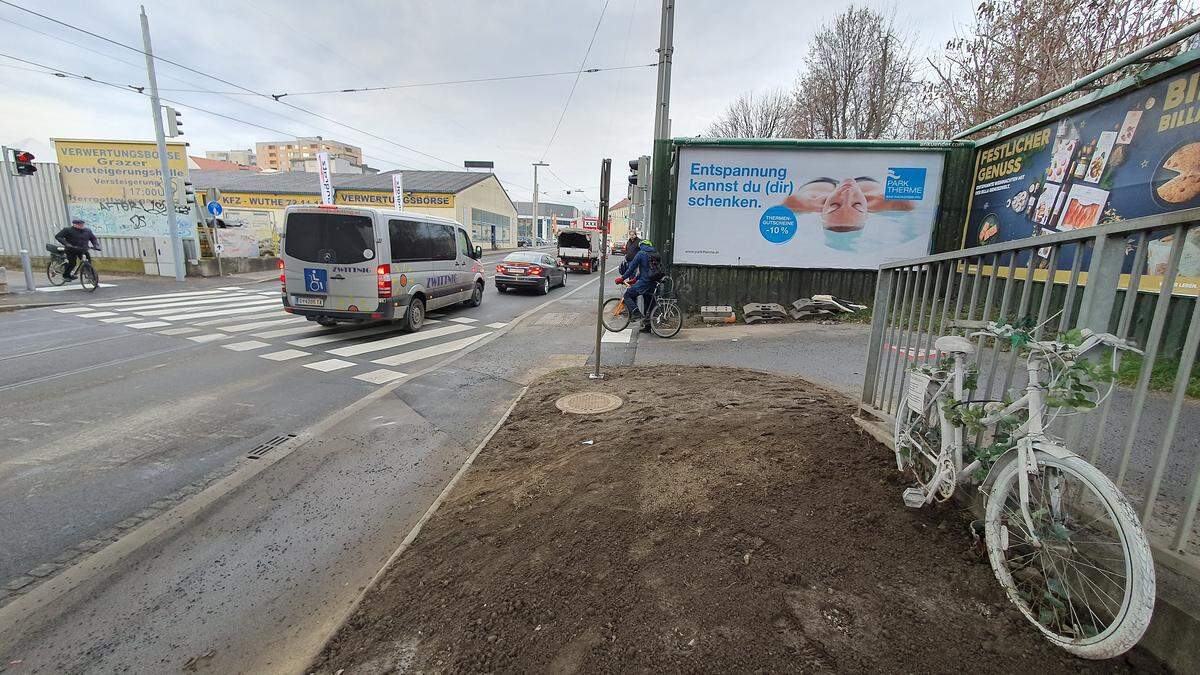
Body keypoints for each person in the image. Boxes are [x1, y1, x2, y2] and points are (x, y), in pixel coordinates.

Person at [782, 177, 915, 232]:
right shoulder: (882, 201)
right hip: (866, 185)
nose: (847, 193)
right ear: (867, 212)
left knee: (813, 192)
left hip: (820, 185)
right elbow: (910, 202)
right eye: (857, 205)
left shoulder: (798, 203)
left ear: (822, 210)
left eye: (835, 205)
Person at [615, 238, 659, 333]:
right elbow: (646, 270)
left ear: (641, 246)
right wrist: (634, 280)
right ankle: (648, 327)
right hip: (653, 282)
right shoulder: (655, 254)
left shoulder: (641, 254)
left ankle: (635, 312)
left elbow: (631, 269)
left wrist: (622, 278)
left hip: (644, 283)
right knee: (648, 304)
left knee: (627, 294)